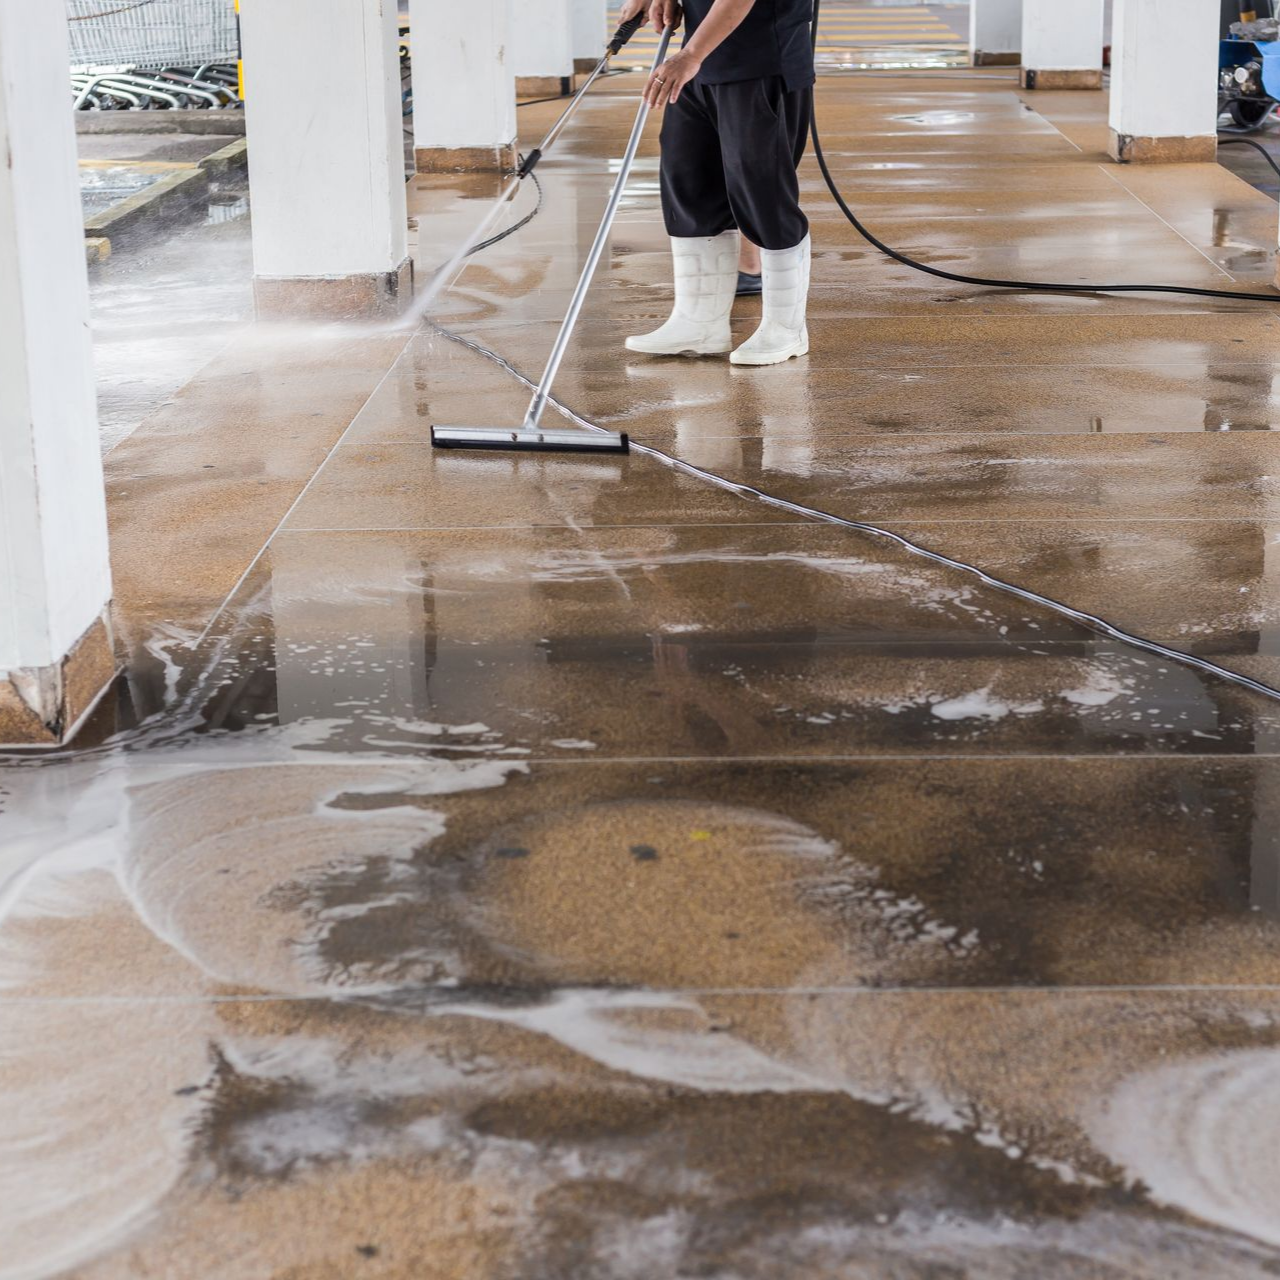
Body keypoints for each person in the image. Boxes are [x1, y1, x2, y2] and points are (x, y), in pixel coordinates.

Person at [619, 0, 813, 365]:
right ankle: (698, 324)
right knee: (688, 183)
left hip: (760, 61)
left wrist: (691, 54)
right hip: (702, 62)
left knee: (763, 195)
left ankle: (786, 330)